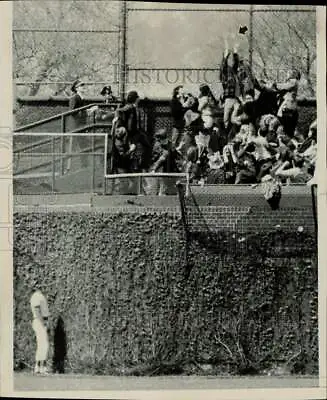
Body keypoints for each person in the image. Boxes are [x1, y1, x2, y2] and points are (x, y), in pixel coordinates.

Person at [30, 284, 50, 375]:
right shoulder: (36, 296)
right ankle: (42, 367)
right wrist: (43, 323)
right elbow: (37, 310)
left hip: (40, 321)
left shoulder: (39, 296)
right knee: (44, 344)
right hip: (39, 321)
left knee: (41, 344)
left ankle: (38, 367)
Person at [170, 85, 187, 150]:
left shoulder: (184, 99)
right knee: (174, 141)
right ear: (177, 91)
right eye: (181, 90)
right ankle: (173, 155)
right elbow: (174, 112)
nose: (183, 91)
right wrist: (183, 107)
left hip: (184, 124)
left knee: (182, 141)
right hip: (177, 124)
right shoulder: (174, 101)